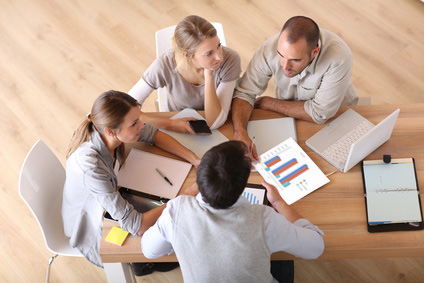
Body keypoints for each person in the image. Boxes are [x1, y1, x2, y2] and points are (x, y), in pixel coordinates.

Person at [141, 141, 324, 282]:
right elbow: (316, 247)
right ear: (242, 185)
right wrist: (279, 203)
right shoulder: (264, 219)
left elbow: (149, 250)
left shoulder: (176, 210)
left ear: (200, 178)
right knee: (283, 257)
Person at [62, 90, 200, 273]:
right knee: (181, 233)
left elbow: (153, 134)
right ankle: (141, 264)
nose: (142, 125)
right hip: (93, 226)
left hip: (112, 199)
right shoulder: (91, 166)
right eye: (134, 124)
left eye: (139, 118)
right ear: (111, 131)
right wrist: (186, 196)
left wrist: (196, 160)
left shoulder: (108, 132)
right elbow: (137, 225)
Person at [232, 16, 358, 159]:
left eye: (295, 60)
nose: (285, 67)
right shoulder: (269, 49)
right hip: (287, 114)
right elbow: (243, 92)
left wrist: (269, 102)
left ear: (314, 52)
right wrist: (239, 132)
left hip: (335, 116)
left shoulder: (338, 57)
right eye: (281, 55)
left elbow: (320, 113)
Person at [128, 15, 242, 130]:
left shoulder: (230, 60)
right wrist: (169, 123)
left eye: (219, 45)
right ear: (187, 55)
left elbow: (215, 122)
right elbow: (125, 107)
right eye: (209, 53)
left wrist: (209, 75)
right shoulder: (165, 64)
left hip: (214, 125)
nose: (219, 57)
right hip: (175, 120)